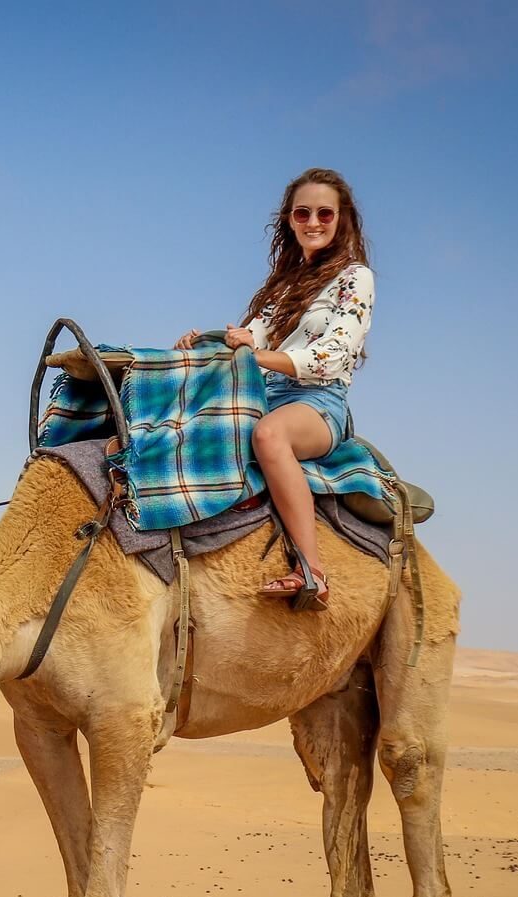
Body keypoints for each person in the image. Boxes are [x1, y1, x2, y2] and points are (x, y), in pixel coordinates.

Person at [178, 167, 374, 611]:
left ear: (342, 219)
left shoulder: (354, 279)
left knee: (269, 436)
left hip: (318, 401)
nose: (314, 222)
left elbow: (333, 354)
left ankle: (313, 572)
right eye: (303, 213)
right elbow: (251, 338)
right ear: (289, 219)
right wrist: (206, 342)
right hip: (265, 394)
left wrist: (255, 356)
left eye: (325, 213)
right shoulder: (283, 286)